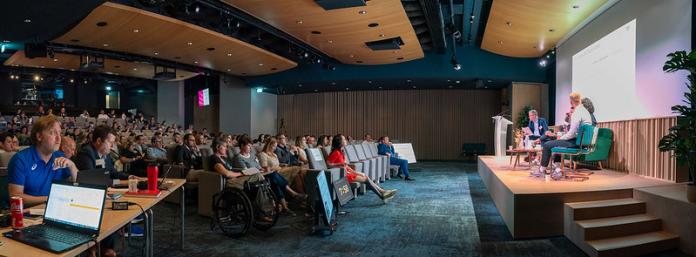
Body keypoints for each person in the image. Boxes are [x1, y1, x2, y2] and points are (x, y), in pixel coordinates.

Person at [8, 115, 79, 207]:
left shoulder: (60, 157)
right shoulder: (20, 160)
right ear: (39, 136)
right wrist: (50, 198)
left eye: (59, 133)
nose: (58, 139)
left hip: (55, 210)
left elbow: (79, 186)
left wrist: (72, 166)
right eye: (52, 133)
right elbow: (15, 196)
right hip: (29, 216)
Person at [234, 137, 305, 215]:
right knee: (274, 175)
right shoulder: (239, 158)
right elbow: (245, 171)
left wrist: (264, 169)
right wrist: (260, 170)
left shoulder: (252, 155)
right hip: (251, 178)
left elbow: (259, 166)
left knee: (275, 182)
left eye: (250, 146)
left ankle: (285, 207)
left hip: (261, 175)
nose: (250, 147)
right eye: (248, 146)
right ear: (242, 146)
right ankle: (292, 193)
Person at [327, 134, 396, 202]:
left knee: (365, 176)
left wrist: (356, 172)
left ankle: (382, 193)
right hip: (342, 175)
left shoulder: (341, 152)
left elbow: (346, 167)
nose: (345, 140)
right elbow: (328, 164)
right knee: (366, 179)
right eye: (344, 139)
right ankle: (382, 193)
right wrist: (339, 164)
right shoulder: (336, 152)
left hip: (347, 173)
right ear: (340, 142)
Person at [537, 92, 593, 176]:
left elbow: (571, 134)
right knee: (556, 142)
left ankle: (542, 170)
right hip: (583, 143)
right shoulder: (585, 111)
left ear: (571, 101)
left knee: (547, 144)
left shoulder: (577, 113)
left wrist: (561, 138)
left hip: (576, 142)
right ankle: (557, 167)